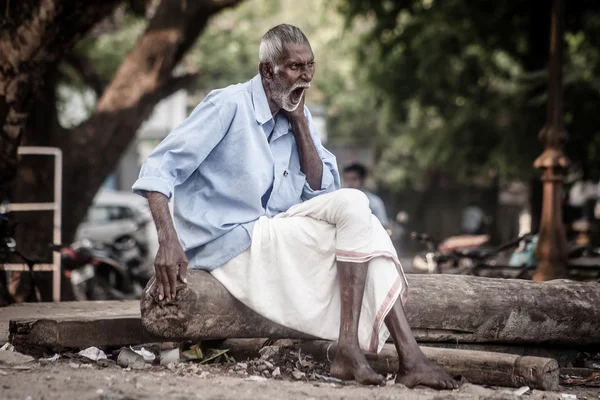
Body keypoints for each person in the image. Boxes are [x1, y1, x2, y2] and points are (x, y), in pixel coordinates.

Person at [132, 24, 458, 390]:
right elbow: (158, 169)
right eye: (294, 67)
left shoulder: (297, 113)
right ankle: (393, 355)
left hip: (275, 235)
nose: (305, 76)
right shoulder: (228, 105)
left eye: (310, 66)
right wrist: (167, 239)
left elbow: (323, 192)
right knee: (356, 211)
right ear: (267, 71)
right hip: (228, 243)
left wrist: (301, 123)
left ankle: (364, 350)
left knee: (356, 211)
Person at [343, 163, 389, 228]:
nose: (350, 183)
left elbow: (383, 225)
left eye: (354, 179)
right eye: (347, 180)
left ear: (362, 180)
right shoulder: (341, 201)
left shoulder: (374, 202)